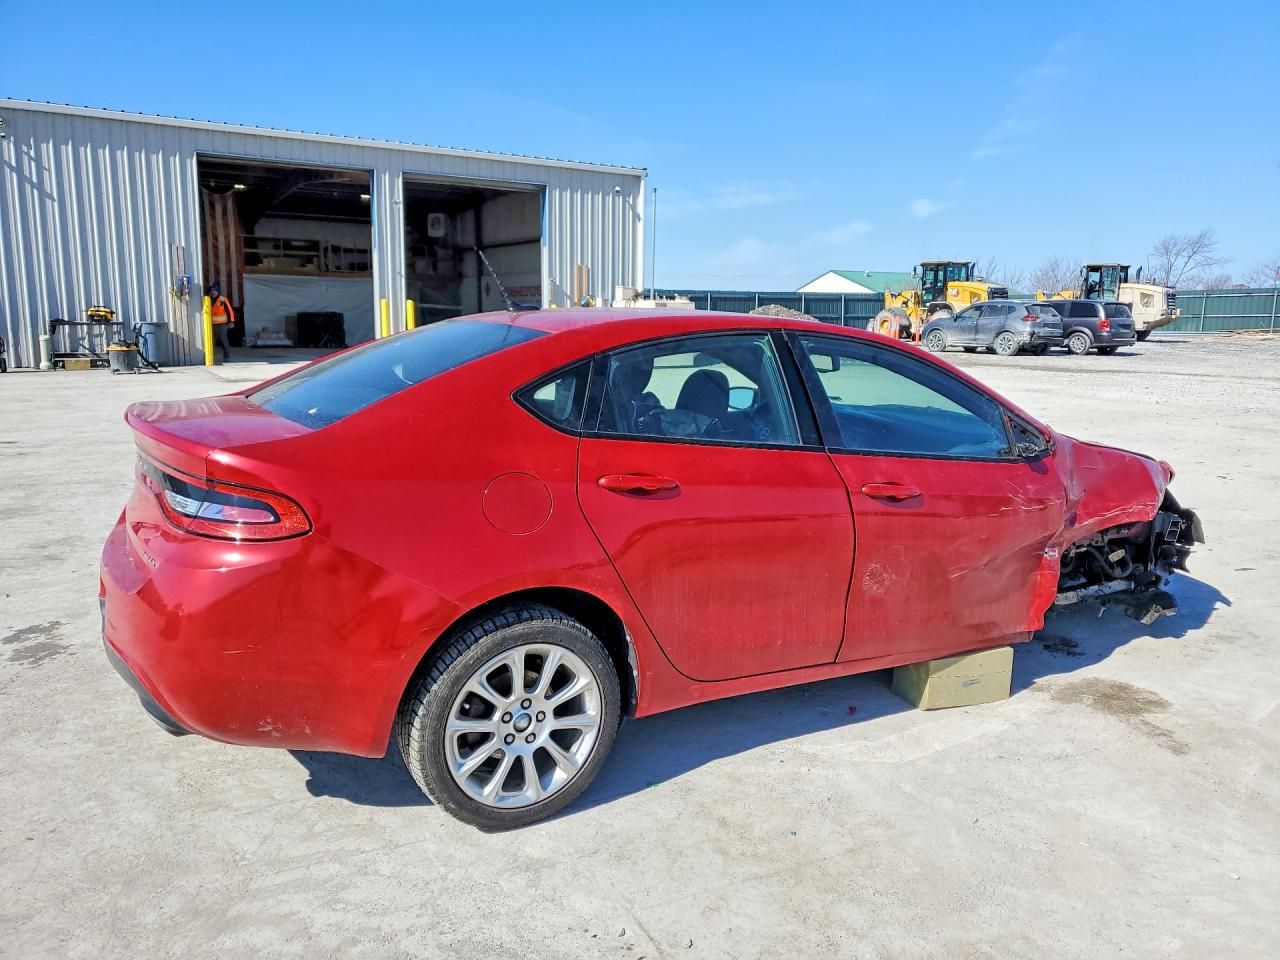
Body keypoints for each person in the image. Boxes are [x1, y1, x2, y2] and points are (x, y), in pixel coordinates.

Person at [209, 282, 235, 363]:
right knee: (212, 341)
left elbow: (230, 311)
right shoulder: (208, 299)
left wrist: (231, 321)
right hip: (211, 324)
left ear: (218, 291)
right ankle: (210, 357)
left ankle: (227, 356)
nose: (213, 292)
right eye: (212, 290)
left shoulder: (223, 299)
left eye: (214, 290)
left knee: (224, 340)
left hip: (222, 324)